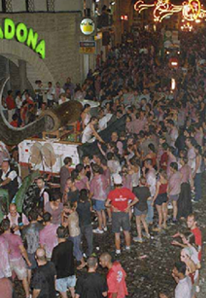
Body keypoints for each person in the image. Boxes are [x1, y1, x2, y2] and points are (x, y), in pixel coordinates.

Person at [105, 174, 138, 254]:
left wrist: (112, 206)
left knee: (117, 233)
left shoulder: (112, 193)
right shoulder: (126, 191)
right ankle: (128, 246)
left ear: (114, 183)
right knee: (126, 231)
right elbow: (136, 199)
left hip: (116, 214)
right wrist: (129, 206)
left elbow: (106, 204)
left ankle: (118, 249)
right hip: (125, 214)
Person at [1, 218, 31, 298]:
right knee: (24, 278)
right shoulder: (16, 237)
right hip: (18, 260)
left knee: (9, 279)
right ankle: (28, 295)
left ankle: (11, 293)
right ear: (9, 226)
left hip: (7, 261)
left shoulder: (1, 238)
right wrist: (28, 261)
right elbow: (23, 250)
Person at [51, 226, 76, 298]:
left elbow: (54, 264)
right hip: (71, 271)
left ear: (56, 235)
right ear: (66, 235)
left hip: (60, 275)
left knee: (64, 293)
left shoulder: (56, 250)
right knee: (72, 289)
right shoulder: (70, 244)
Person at [62, 202, 86, 270]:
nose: (63, 210)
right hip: (77, 232)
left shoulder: (71, 217)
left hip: (74, 234)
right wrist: (66, 216)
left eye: (64, 209)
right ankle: (78, 257)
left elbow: (64, 225)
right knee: (77, 246)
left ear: (67, 209)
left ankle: (82, 262)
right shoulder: (74, 212)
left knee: (76, 248)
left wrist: (62, 216)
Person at [21, 209, 43, 284]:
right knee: (40, 267)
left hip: (29, 250)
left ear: (29, 217)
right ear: (37, 217)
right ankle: (40, 282)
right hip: (39, 250)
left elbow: (23, 240)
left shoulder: (25, 229)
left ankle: (29, 282)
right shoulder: (41, 227)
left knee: (29, 269)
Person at [90, 164, 109, 234]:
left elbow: (91, 192)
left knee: (99, 214)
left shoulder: (93, 180)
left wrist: (89, 197)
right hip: (104, 197)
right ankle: (105, 225)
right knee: (103, 211)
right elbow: (107, 184)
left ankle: (100, 228)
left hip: (97, 198)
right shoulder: (103, 177)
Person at [132, 177, 151, 242]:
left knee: (138, 223)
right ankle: (147, 233)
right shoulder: (147, 189)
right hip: (145, 207)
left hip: (138, 207)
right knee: (143, 220)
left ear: (139, 182)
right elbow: (149, 197)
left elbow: (133, 198)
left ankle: (139, 237)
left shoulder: (136, 189)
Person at [76, 189, 93, 257]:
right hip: (88, 223)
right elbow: (91, 209)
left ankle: (80, 253)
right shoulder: (89, 202)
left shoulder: (77, 204)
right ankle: (89, 253)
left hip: (80, 224)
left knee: (79, 240)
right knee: (89, 241)